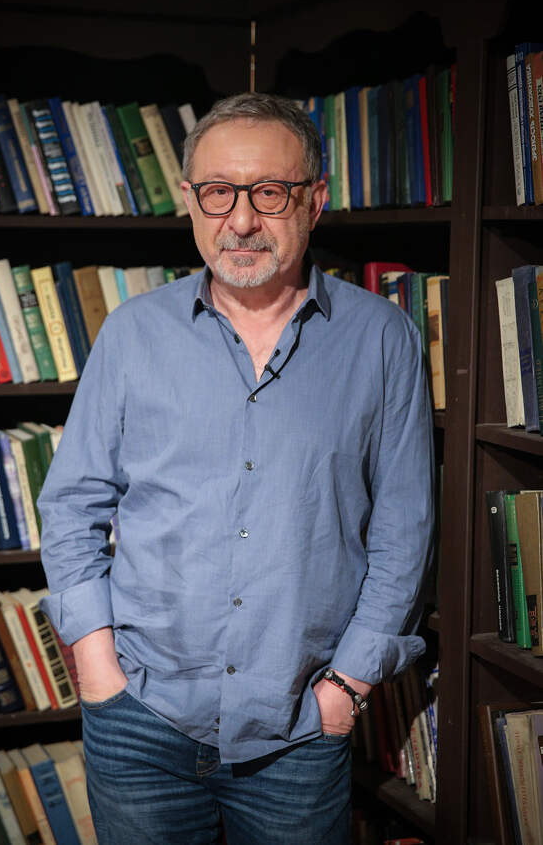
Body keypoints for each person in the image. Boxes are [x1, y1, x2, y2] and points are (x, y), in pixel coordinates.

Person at [39, 92, 435, 845]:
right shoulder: (132, 333)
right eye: (219, 192)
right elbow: (71, 507)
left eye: (270, 193)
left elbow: (404, 531)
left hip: (298, 729)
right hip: (138, 720)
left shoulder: (384, 339)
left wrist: (346, 688)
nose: (242, 220)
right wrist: (97, 669)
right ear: (190, 200)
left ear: (314, 201)